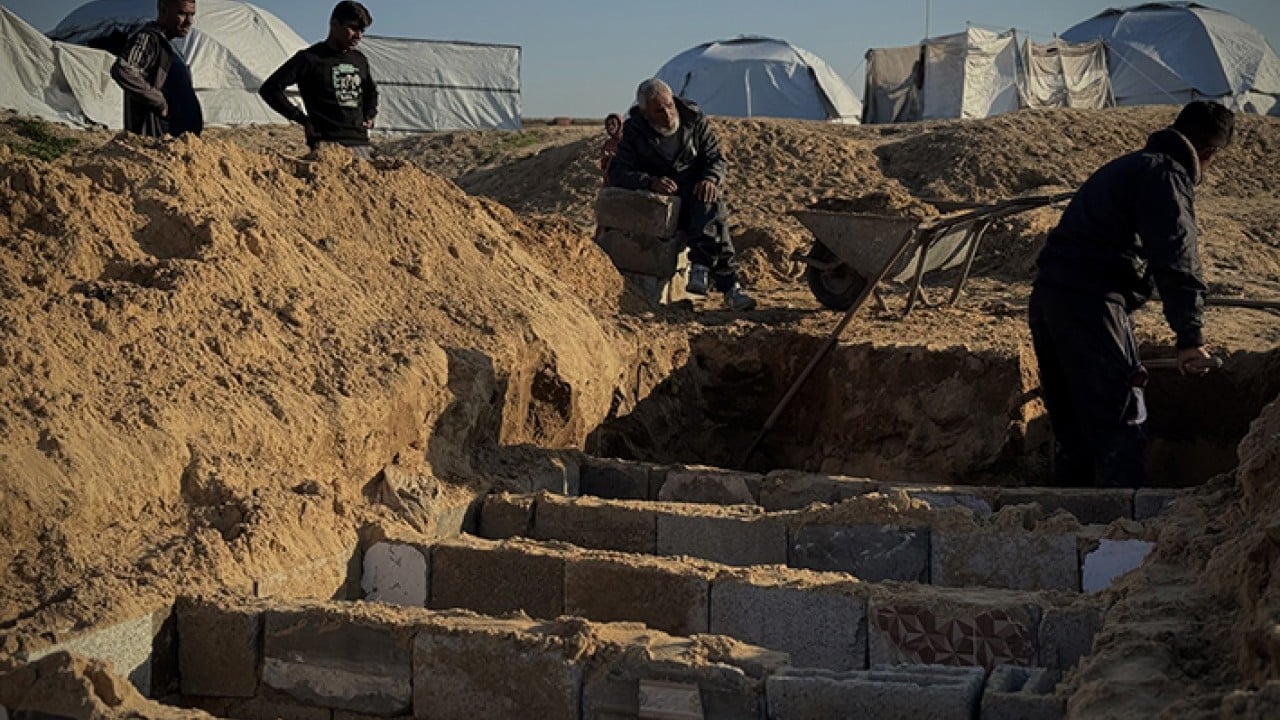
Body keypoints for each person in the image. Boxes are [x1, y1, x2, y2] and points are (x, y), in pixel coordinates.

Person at [1029, 100, 1234, 488]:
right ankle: (1120, 536)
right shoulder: (1166, 176)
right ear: (1209, 155)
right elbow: (1177, 257)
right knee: (1121, 423)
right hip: (1092, 304)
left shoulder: (1126, 167)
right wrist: (1190, 338)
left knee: (1073, 430)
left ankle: (1067, 525)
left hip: (1047, 300)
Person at [609, 78, 756, 310]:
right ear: (647, 114)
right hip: (667, 199)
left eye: (669, 106)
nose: (667, 114)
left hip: (696, 192)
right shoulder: (635, 131)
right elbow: (618, 171)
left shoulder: (693, 119)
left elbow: (715, 158)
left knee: (710, 199)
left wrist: (711, 178)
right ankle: (727, 285)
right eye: (659, 110)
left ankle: (702, 268)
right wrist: (650, 182)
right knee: (714, 213)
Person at [259, 1, 379, 159]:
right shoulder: (310, 59)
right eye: (353, 28)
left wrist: (369, 115)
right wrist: (302, 119)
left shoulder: (359, 60)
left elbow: (371, 92)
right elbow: (270, 89)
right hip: (327, 145)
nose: (359, 36)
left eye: (362, 30)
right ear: (335, 24)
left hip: (360, 144)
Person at [110, 0, 203, 138]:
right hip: (159, 140)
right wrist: (158, 101)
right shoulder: (149, 39)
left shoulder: (170, 46)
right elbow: (123, 69)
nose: (189, 21)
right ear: (163, 9)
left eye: (192, 15)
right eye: (182, 14)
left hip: (178, 143)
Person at [599, 113, 624, 186]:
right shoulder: (608, 143)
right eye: (608, 125)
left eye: (613, 124)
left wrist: (616, 156)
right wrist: (606, 158)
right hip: (609, 181)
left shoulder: (627, 141)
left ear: (619, 125)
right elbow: (603, 166)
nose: (611, 127)